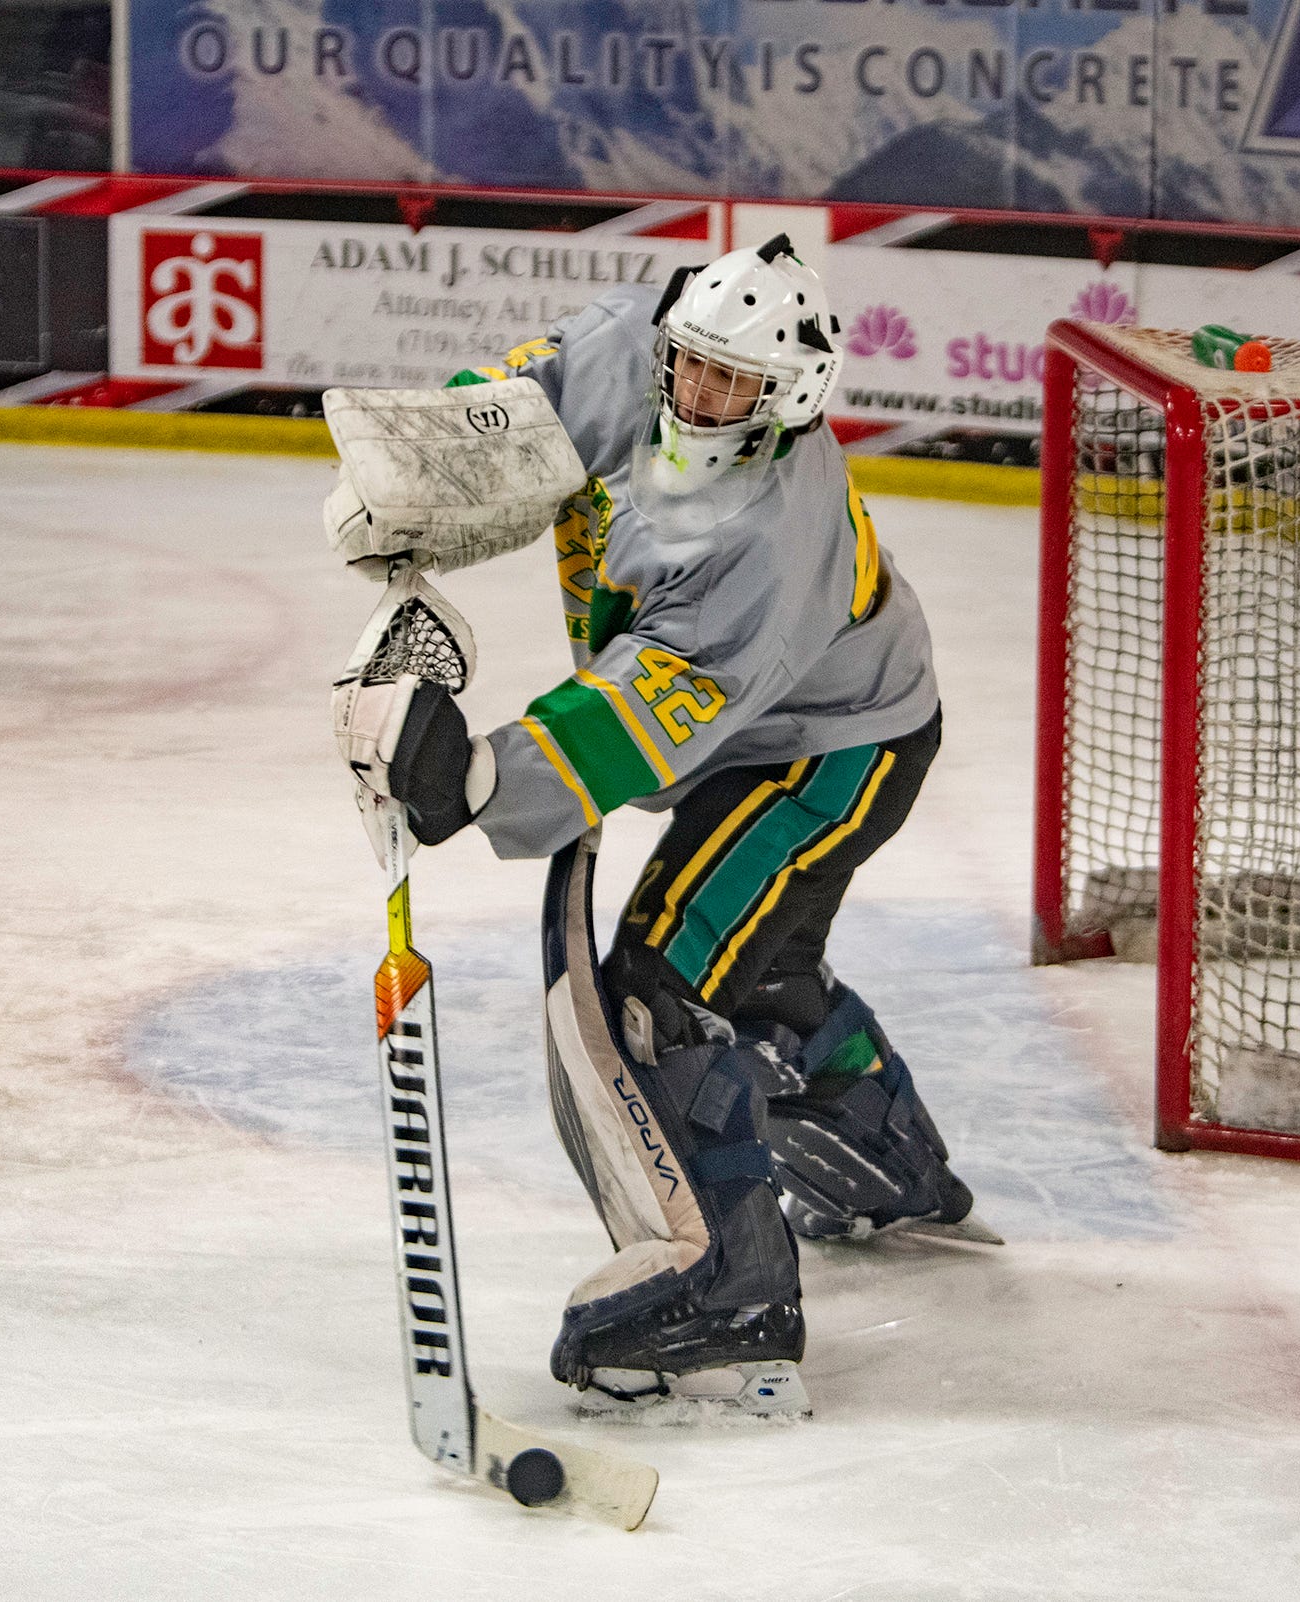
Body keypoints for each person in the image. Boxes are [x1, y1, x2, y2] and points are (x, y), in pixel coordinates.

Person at [340, 237, 987, 1414]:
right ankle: (883, 1159)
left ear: (784, 397)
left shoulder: (760, 531)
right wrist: (412, 483)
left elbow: (651, 707)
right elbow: (512, 419)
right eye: (687, 365)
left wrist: (481, 777)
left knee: (661, 990)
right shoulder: (630, 346)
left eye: (727, 384)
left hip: (834, 747)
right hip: (777, 724)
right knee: (760, 966)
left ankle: (730, 1300)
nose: (694, 394)